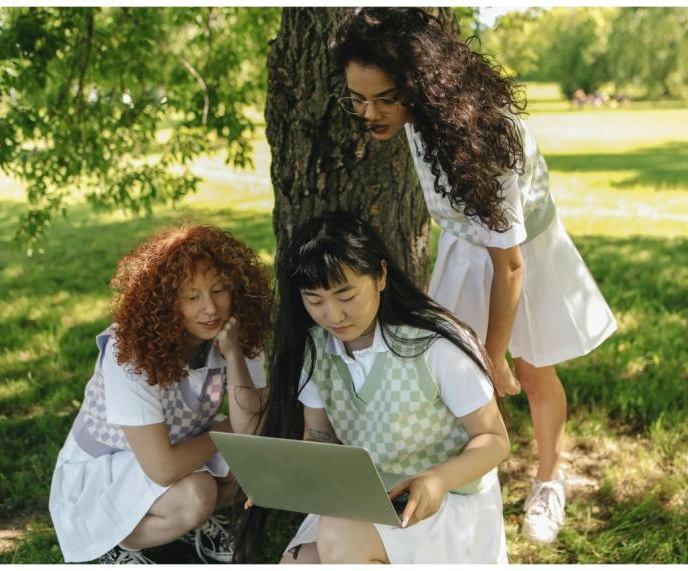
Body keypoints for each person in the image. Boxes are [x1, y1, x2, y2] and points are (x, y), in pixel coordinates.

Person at [332, 8, 618, 544]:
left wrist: (494, 355)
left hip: (522, 255)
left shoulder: (486, 138)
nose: (368, 112)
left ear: (420, 85)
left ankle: (549, 480)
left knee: (531, 372)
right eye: (357, 97)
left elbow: (509, 265)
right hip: (467, 251)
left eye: (384, 97)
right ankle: (462, 483)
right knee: (450, 378)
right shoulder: (415, 120)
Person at [236, 212, 510, 564]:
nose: (333, 315)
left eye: (346, 295)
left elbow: (495, 440)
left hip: (446, 499)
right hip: (363, 498)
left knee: (337, 533)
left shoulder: (436, 346)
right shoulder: (317, 347)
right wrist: (285, 477)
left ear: (380, 275)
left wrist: (437, 479)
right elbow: (319, 437)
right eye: (315, 301)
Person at [48, 223, 271, 563]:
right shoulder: (131, 354)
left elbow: (255, 428)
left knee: (253, 466)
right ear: (167, 302)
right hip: (109, 467)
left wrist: (234, 355)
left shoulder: (238, 330)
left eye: (219, 290)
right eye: (191, 296)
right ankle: (116, 544)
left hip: (182, 447)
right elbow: (163, 468)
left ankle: (192, 524)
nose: (210, 309)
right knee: (198, 494)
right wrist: (229, 432)